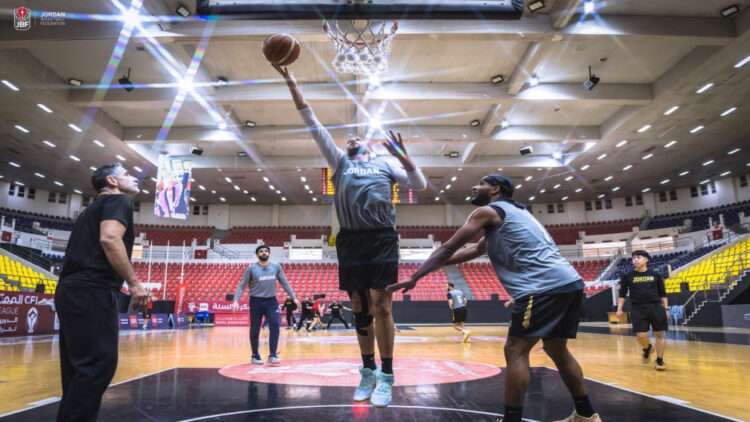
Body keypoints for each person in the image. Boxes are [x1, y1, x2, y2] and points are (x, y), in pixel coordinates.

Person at [388, 174, 601, 422]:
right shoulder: (517, 213)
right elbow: (475, 250)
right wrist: (435, 266)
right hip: (569, 282)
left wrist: (416, 276)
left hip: (543, 286)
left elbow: (448, 247)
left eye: (480, 183)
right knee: (557, 350)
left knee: (516, 350)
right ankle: (587, 414)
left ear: (495, 189)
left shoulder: (488, 212)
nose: (474, 186)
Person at [275, 63, 427, 407]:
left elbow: (419, 185)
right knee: (359, 306)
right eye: (349, 139)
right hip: (351, 240)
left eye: (357, 138)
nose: (353, 139)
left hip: (382, 237)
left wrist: (405, 158)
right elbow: (311, 121)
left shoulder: (385, 164)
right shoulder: (340, 162)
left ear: (368, 148)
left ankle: (387, 375)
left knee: (381, 305)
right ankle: (367, 370)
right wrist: (291, 80)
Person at [55, 163, 149, 422]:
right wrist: (134, 283)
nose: (133, 177)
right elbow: (110, 238)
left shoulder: (90, 210)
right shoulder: (118, 200)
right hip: (92, 289)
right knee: (98, 365)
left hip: (70, 289)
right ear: (112, 181)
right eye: (126, 173)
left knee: (77, 369)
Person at [233, 245, 297, 365]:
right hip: (255, 301)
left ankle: (273, 355)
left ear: (269, 254)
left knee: (275, 324)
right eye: (261, 251)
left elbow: (285, 283)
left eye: (266, 251)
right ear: (257, 254)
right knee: (255, 328)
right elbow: (241, 286)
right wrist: (236, 300)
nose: (264, 253)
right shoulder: (251, 269)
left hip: (271, 301)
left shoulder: (276, 267)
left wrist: (294, 297)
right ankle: (255, 355)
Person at [616, 250, 668, 371]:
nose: (635, 260)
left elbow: (663, 293)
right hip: (637, 308)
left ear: (646, 259)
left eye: (638, 257)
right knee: (640, 335)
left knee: (660, 334)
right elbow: (622, 294)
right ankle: (647, 347)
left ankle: (660, 360)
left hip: (656, 306)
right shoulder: (628, 276)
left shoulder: (655, 274)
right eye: (633, 258)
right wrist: (619, 309)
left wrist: (666, 308)